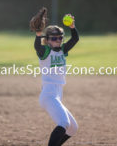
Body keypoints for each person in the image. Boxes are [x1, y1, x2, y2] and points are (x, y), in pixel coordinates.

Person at [31, 8, 79, 146]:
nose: (58, 40)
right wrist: (39, 33)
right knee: (64, 123)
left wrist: (72, 27)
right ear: (48, 40)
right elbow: (37, 46)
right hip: (49, 95)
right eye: (54, 38)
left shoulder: (63, 50)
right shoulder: (45, 51)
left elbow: (75, 38)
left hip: (57, 94)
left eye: (60, 38)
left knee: (73, 128)